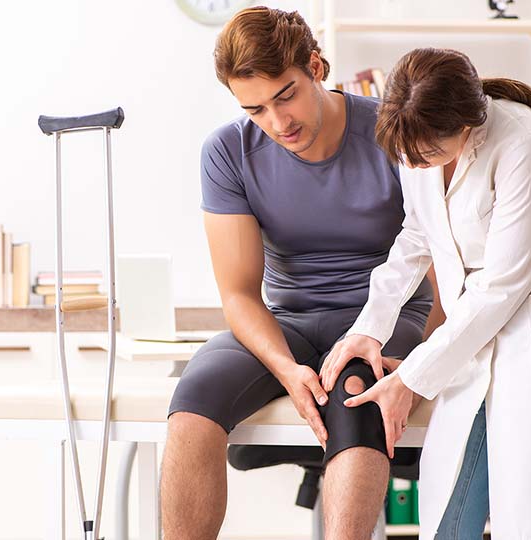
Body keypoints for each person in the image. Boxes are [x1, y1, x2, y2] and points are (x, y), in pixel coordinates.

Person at [327, 48, 531, 539]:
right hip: (473, 344)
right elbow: (417, 234)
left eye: (427, 154)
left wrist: (410, 377)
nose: (414, 163)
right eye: (407, 157)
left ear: (467, 124)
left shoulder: (526, 143)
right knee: (452, 513)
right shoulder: (417, 139)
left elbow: (503, 284)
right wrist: (370, 326)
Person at [160, 7, 443, 539]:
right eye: (256, 109)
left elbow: (446, 266)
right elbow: (240, 293)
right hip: (288, 322)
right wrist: (288, 370)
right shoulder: (228, 151)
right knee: (194, 399)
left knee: (360, 395)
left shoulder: (390, 133)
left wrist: (425, 362)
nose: (277, 122)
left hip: (382, 319)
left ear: (315, 65)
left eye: (285, 94)